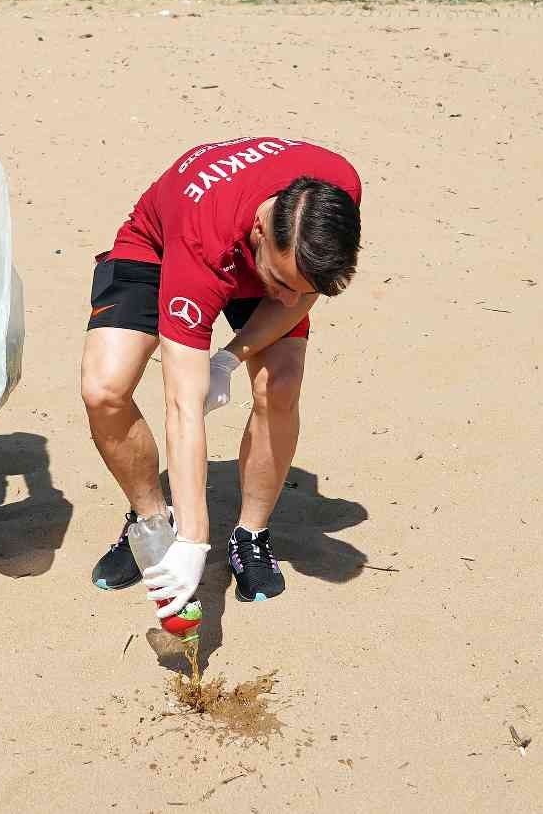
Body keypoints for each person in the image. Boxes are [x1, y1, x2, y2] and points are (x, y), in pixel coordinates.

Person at [80, 137, 361, 617]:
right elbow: (183, 405)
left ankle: (251, 535)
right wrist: (193, 541)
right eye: (284, 285)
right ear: (259, 230)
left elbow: (304, 289)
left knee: (282, 382)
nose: (291, 302)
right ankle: (152, 525)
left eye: (302, 288)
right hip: (163, 244)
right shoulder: (201, 241)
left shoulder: (336, 192)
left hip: (258, 253)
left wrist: (228, 359)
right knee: (103, 389)